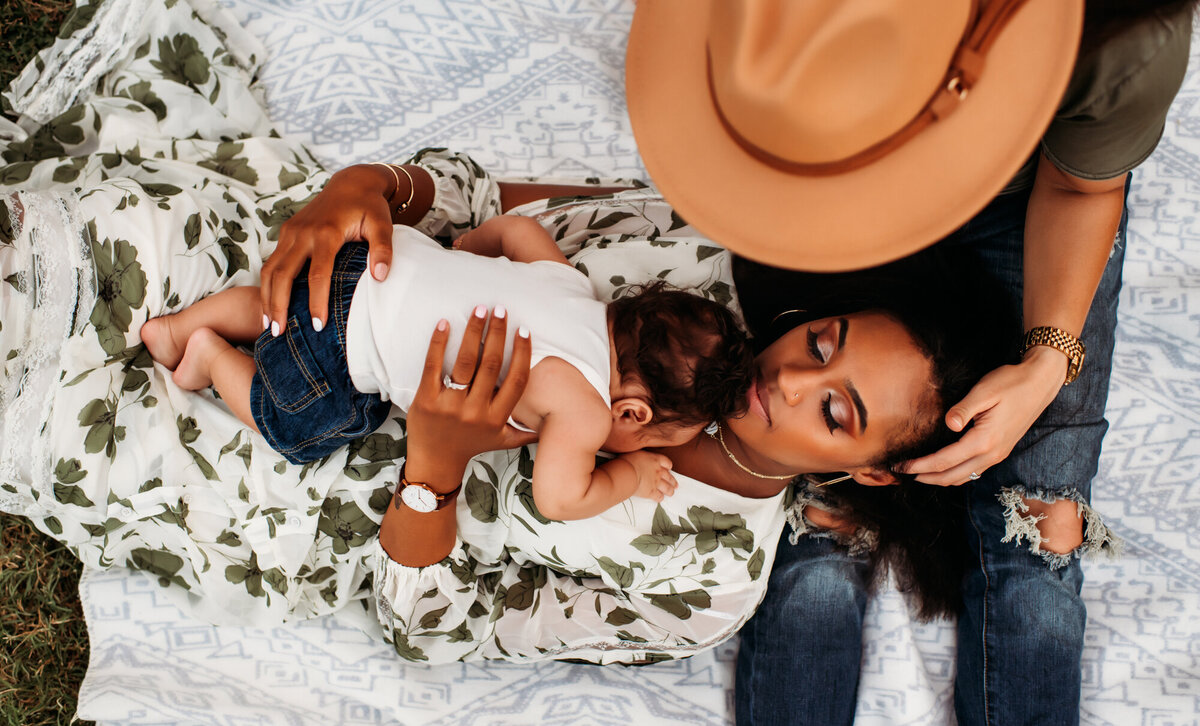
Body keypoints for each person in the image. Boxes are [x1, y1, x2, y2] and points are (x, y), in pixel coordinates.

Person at [0, 0, 1012, 667]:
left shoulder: (705, 583)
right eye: (822, 341)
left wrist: (436, 468)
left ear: (869, 469)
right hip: (327, 283)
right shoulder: (691, 264)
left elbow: (433, 631)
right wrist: (369, 186)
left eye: (834, 411)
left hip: (286, 483)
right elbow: (486, 201)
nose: (790, 376)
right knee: (115, 224)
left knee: (53, 389)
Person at [618, 0, 1196, 723]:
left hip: (1025, 209)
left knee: (1040, 524)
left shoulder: (1128, 28)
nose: (790, 380)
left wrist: (1047, 362)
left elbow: (1083, 188)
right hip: (833, 172)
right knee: (824, 510)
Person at [141, 209, 754, 520]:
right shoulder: (587, 411)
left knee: (281, 308)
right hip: (346, 352)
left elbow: (515, 228)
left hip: (370, 261)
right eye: (652, 436)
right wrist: (632, 477)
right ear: (634, 412)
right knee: (298, 424)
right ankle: (210, 358)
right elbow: (559, 499)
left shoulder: (568, 284)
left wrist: (467, 251)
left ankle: (179, 324)